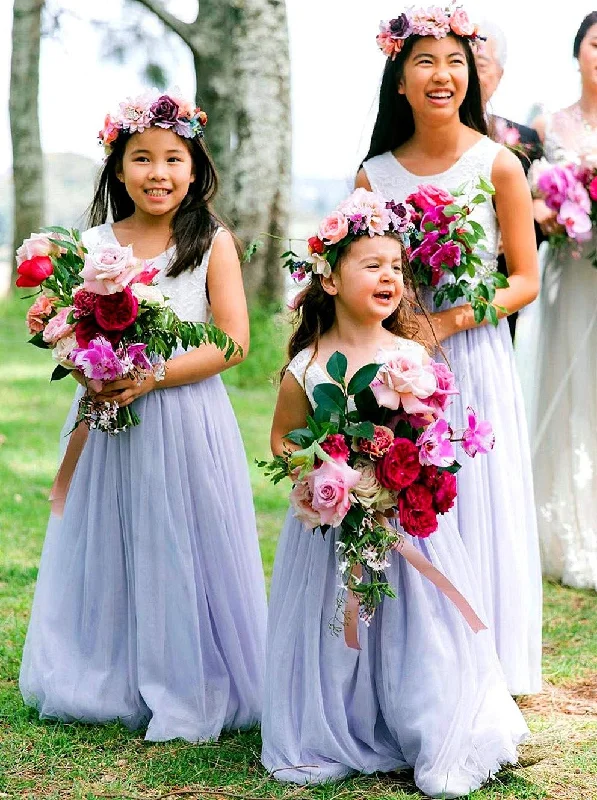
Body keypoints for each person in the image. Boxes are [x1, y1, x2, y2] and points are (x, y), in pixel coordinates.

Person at [260, 188, 528, 799]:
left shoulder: (411, 355)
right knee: (337, 626)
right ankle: (346, 720)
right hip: (334, 529)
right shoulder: (307, 365)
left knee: (416, 622)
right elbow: (281, 440)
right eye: (371, 264)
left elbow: (431, 437)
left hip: (405, 528)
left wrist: (406, 475)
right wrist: (330, 472)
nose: (389, 277)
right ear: (328, 280)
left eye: (397, 267)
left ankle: (427, 720)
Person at [19, 90, 268, 741]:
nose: (158, 173)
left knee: (181, 536)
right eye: (142, 158)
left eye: (173, 159)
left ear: (195, 168)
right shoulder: (90, 245)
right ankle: (108, 667)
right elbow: (74, 331)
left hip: (186, 414)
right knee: (114, 535)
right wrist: (77, 356)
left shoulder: (209, 242)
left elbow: (233, 341)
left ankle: (188, 671)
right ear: (117, 167)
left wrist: (154, 373)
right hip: (107, 418)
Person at [356, 5, 542, 695]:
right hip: (396, 365)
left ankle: (481, 661)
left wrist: (448, 324)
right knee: (405, 496)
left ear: (472, 74)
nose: (441, 75)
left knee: (474, 501)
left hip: (473, 361)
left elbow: (521, 281)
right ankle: (414, 663)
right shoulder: (372, 175)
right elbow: (355, 275)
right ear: (398, 78)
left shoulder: (497, 164)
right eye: (424, 61)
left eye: (454, 61)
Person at [521, 12, 597, 590]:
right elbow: (533, 209)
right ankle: (566, 532)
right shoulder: (550, 124)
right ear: (578, 52)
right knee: (568, 386)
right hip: (568, 275)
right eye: (596, 45)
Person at [475, 19, 544, 339]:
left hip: (504, 282)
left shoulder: (524, 139)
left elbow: (541, 215)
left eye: (480, 64)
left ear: (499, 74)